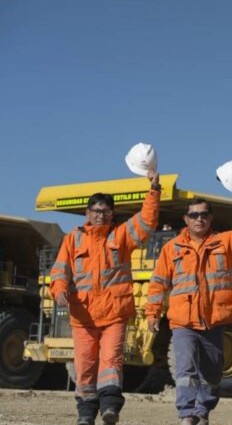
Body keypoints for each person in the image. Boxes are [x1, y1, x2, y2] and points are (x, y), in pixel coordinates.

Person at [50, 170, 161, 425]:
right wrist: (59, 291)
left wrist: (153, 192)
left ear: (112, 214)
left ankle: (110, 407)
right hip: (83, 316)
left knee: (111, 361)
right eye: (96, 211)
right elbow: (60, 270)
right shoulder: (73, 239)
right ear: (87, 214)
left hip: (114, 314)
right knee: (85, 366)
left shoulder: (121, 235)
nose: (100, 215)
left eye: (105, 211)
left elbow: (146, 222)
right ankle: (86, 413)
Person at [145, 191, 232, 425]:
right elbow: (158, 282)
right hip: (183, 321)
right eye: (194, 215)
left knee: (212, 372)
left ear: (210, 218)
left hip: (214, 321)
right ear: (186, 219)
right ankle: (186, 414)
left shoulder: (224, 242)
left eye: (204, 214)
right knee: (185, 367)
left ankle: (202, 411)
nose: (199, 219)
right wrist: (153, 312)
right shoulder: (172, 248)